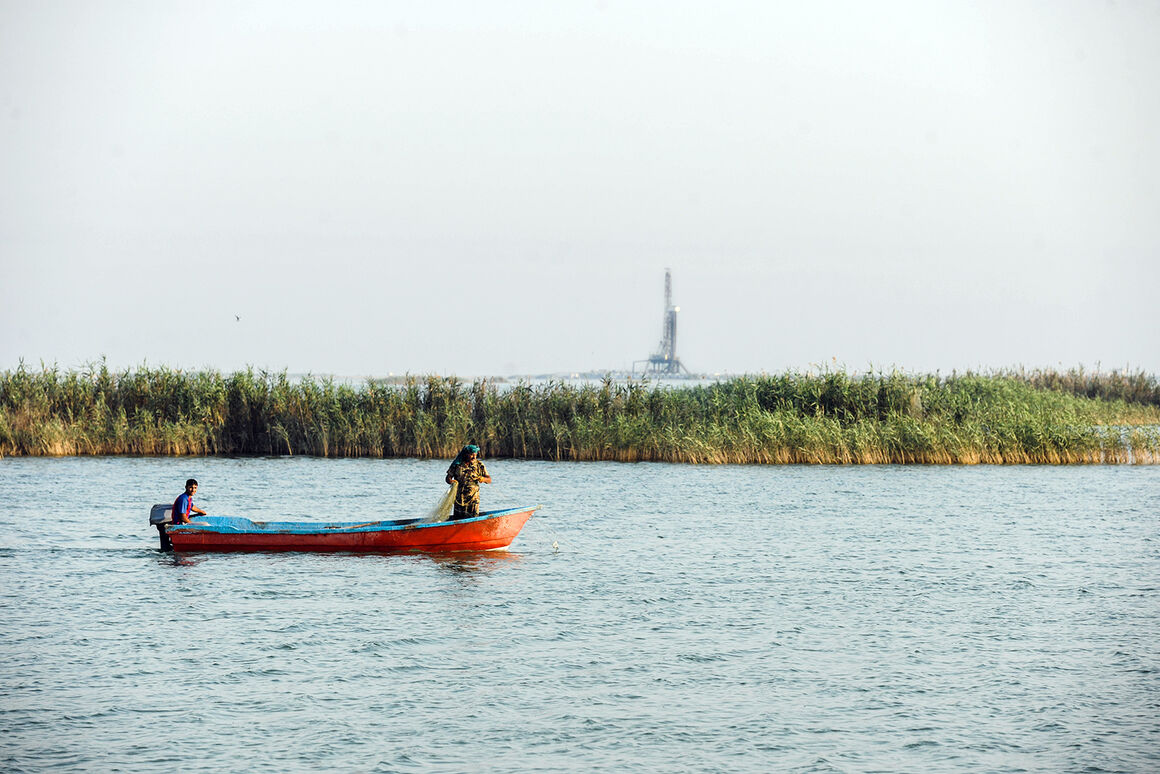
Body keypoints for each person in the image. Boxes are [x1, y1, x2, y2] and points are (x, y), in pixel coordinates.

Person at [445, 444, 492, 520]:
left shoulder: (480, 465)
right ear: (466, 454)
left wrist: (482, 479)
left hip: (473, 499)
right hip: (459, 500)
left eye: (475, 455)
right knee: (458, 519)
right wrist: (451, 481)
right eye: (471, 455)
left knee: (473, 519)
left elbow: (489, 480)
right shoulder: (457, 465)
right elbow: (448, 478)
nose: (474, 457)